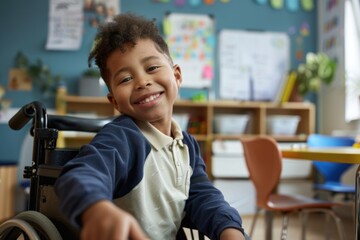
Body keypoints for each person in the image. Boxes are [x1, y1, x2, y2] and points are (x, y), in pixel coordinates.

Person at [54, 12, 247, 240]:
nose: (142, 82)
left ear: (177, 75)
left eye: (152, 68)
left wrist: (229, 228)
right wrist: (97, 209)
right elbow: (82, 174)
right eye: (126, 79)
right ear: (115, 101)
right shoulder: (123, 138)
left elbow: (203, 196)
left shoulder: (188, 145)